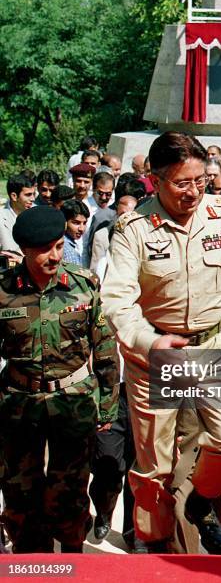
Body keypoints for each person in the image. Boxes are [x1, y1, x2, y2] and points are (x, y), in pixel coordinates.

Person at [101, 131, 221, 554]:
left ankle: (200, 502)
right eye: (183, 183)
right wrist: (149, 340)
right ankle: (157, 548)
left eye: (201, 180)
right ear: (156, 181)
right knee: (154, 471)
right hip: (157, 358)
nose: (194, 192)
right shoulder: (133, 229)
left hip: (217, 346)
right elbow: (117, 300)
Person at [0, 206, 119, 553]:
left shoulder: (83, 285)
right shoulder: (4, 291)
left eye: (58, 246)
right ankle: (30, 563)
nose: (55, 256)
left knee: (69, 493)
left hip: (74, 402)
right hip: (19, 403)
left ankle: (71, 561)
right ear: (25, 250)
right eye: (45, 250)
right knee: (21, 494)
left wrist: (107, 406)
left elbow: (105, 348)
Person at [0, 173, 36, 255]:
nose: (33, 199)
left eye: (33, 194)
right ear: (14, 196)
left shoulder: (38, 213)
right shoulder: (1, 220)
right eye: (28, 195)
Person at [61, 200, 90, 266]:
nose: (81, 229)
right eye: (76, 223)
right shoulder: (65, 249)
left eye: (84, 223)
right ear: (65, 222)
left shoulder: (70, 244)